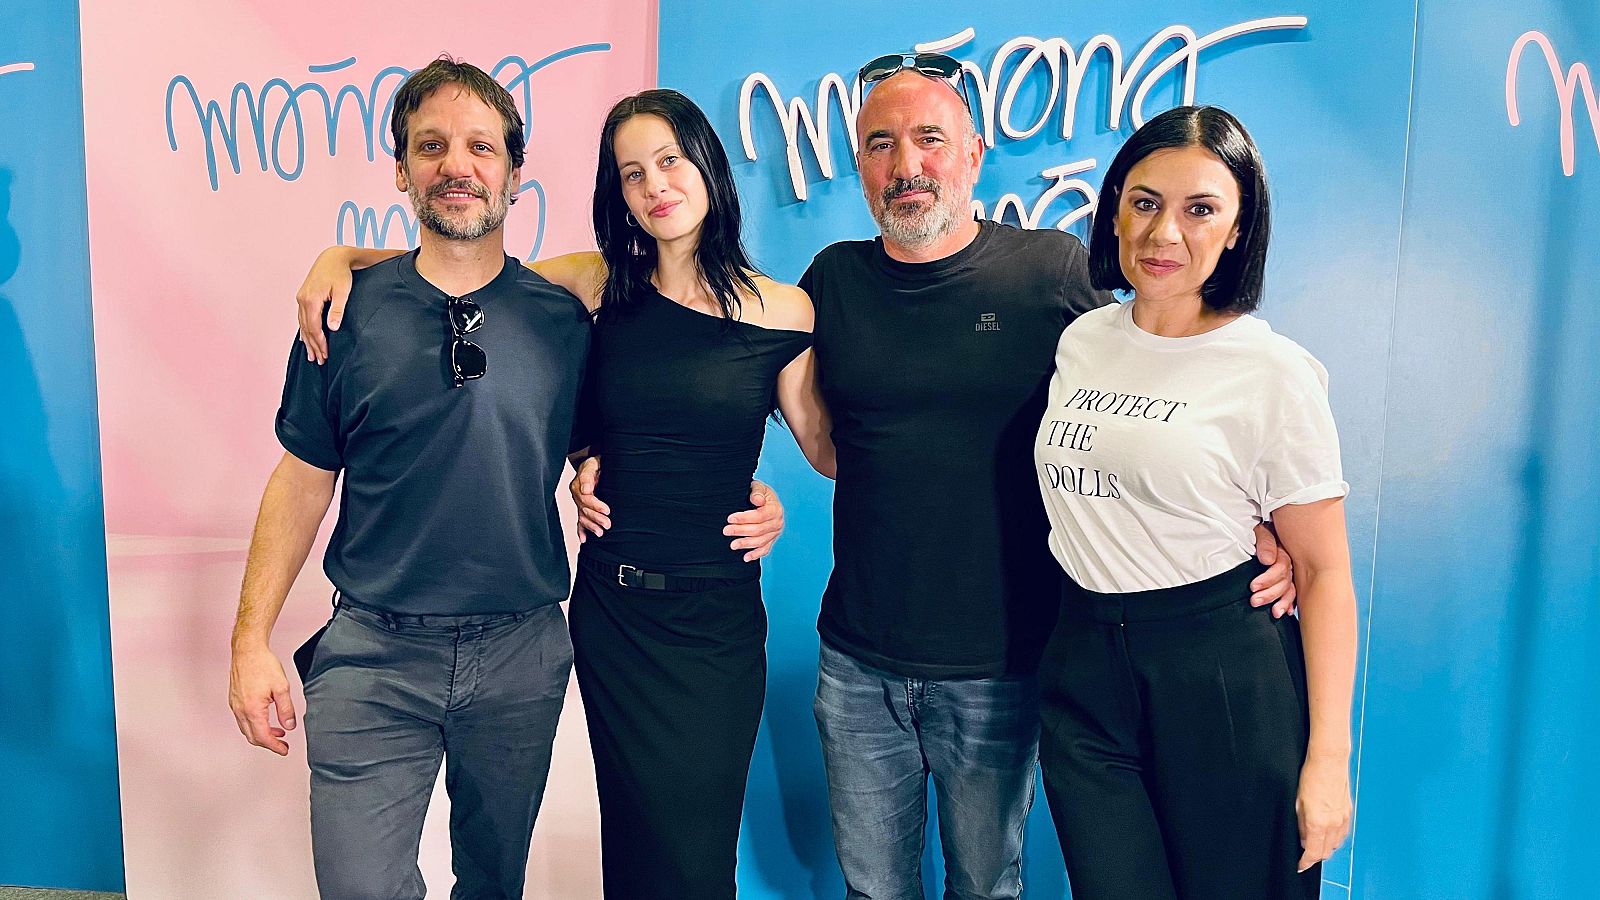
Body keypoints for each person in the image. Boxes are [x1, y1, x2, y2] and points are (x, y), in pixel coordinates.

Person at [581, 56, 1300, 899]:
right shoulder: (831, 285)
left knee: (984, 889)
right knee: (874, 890)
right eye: (881, 145)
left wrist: (1255, 526)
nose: (906, 164)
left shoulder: (1050, 272)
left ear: (973, 153)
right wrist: (641, 466)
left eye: (929, 139)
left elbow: (1151, 389)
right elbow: (782, 421)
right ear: (860, 168)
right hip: (857, 662)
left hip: (1000, 663)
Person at [295, 89, 830, 898]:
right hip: (614, 616)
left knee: (697, 856)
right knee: (634, 847)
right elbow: (464, 274)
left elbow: (826, 450)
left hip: (715, 623)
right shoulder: (596, 283)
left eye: (670, 161)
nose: (655, 185)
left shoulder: (783, 309)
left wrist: (778, 500)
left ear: (708, 167)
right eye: (631, 173)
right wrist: (341, 256)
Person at [227, 58, 589, 899]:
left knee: (493, 885)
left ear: (513, 172)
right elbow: (303, 478)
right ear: (401, 170)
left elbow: (618, 443)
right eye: (431, 147)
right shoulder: (343, 313)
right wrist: (251, 641)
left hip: (521, 652)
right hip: (372, 653)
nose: (456, 165)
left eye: (480, 147)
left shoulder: (565, 317)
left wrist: (748, 493)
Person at [1033, 105, 1356, 900]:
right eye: (1144, 202)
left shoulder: (1272, 370)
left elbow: (1322, 575)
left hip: (1217, 666)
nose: (1162, 234)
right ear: (1113, 209)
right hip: (1083, 666)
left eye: (1199, 209)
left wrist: (1327, 762)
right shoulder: (1084, 340)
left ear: (1240, 228)